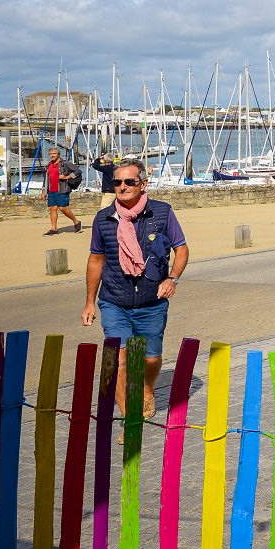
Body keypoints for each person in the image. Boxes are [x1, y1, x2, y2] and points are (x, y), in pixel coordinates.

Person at [81, 160, 187, 412]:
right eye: (117, 182)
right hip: (114, 301)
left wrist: (172, 278)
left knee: (150, 359)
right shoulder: (104, 218)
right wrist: (89, 302)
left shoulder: (161, 213)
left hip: (152, 301)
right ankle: (130, 419)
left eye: (129, 182)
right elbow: (96, 260)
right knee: (120, 360)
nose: (122, 186)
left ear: (143, 184)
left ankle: (148, 387)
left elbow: (180, 248)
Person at [43, 148, 81, 236]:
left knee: (62, 208)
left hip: (62, 189)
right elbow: (46, 179)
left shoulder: (65, 164)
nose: (52, 155)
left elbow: (78, 171)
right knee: (53, 208)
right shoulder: (49, 164)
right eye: (50, 154)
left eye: (54, 153)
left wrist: (67, 177)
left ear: (58, 154)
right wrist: (44, 191)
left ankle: (76, 222)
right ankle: (53, 229)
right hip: (51, 190)